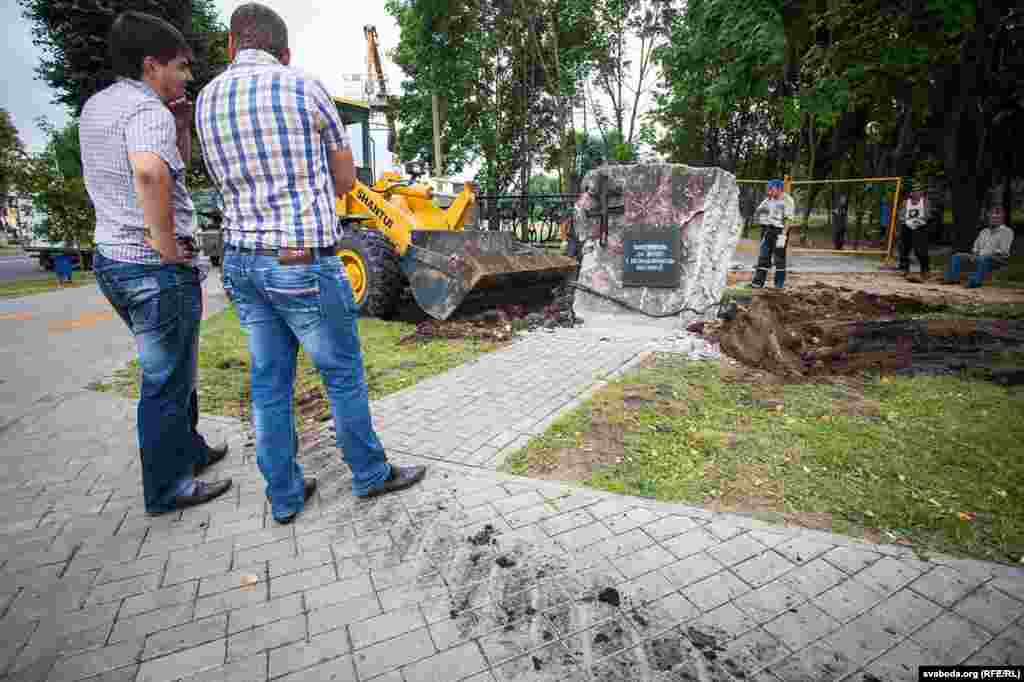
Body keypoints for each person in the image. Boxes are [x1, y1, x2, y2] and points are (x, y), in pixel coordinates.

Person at [195, 3, 425, 525]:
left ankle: (285, 493)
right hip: (302, 262)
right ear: (285, 51)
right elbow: (346, 182)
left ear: (232, 47)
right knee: (342, 375)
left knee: (269, 383)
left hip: (243, 265)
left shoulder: (206, 99)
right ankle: (369, 474)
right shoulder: (303, 87)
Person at [80, 11, 231, 515]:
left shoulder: (99, 107)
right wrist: (165, 244)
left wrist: (181, 124)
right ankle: (169, 488)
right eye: (180, 67)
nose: (186, 77)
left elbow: (165, 166)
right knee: (166, 379)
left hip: (113, 261)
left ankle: (187, 450)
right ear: (151, 64)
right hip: (152, 269)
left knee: (177, 368)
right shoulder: (146, 112)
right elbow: (149, 172)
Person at [943, 206, 1015, 288]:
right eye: (992, 217)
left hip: (997, 259)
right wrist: (974, 254)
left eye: (996, 217)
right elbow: (976, 247)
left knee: (984, 259)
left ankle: (975, 282)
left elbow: (1003, 251)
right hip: (980, 257)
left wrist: (986, 255)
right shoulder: (984, 231)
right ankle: (952, 279)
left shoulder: (1007, 232)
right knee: (957, 256)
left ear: (1002, 219)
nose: (993, 220)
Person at [751, 179, 795, 288]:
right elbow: (758, 211)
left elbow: (789, 219)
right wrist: (761, 219)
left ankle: (779, 284)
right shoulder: (768, 200)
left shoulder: (787, 200)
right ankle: (757, 283)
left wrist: (783, 236)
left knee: (779, 258)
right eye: (768, 189)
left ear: (779, 189)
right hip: (768, 230)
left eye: (771, 189)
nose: (769, 191)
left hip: (780, 231)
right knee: (763, 256)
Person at [898, 183, 930, 280]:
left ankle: (925, 269)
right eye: (914, 191)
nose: (917, 192)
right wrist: (905, 221)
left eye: (919, 190)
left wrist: (919, 221)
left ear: (921, 192)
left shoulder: (925, 201)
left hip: (920, 227)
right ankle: (905, 268)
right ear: (911, 193)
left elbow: (927, 214)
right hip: (907, 227)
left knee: (920, 249)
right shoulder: (905, 202)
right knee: (904, 248)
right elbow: (901, 215)